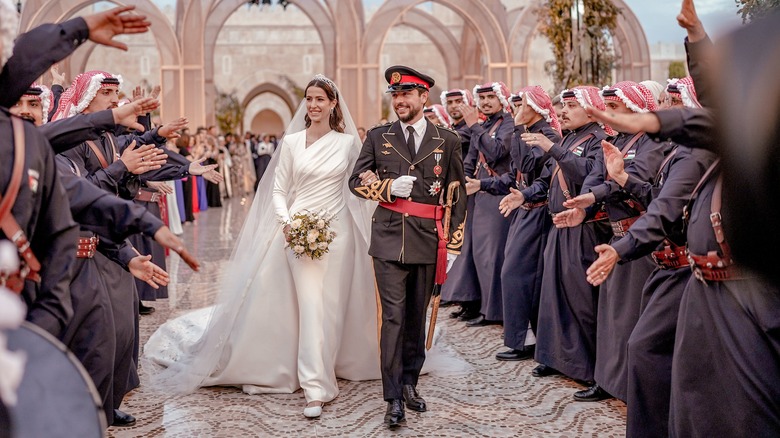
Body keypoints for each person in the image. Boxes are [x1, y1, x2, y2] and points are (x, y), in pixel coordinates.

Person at [145, 74, 380, 420]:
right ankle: (316, 386)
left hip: (339, 234)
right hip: (296, 231)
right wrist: (286, 223)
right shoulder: (292, 143)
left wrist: (373, 182)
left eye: (320, 99)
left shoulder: (347, 145)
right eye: (309, 98)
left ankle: (333, 360)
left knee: (330, 307)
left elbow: (358, 186)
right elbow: (278, 189)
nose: (314, 105)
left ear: (333, 104)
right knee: (312, 304)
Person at [348, 65, 466, 429]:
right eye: (395, 95)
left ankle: (411, 382)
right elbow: (355, 181)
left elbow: (456, 193)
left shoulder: (447, 140)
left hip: (429, 240)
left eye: (405, 95)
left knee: (415, 318)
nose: (399, 100)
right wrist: (385, 190)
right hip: (387, 239)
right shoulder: (378, 137)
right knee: (394, 320)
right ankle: (393, 397)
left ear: (422, 97)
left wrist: (455, 243)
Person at [560, 81, 669, 403]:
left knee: (629, 320)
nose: (608, 113)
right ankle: (606, 379)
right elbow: (598, 174)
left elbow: (633, 178)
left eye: (615, 107)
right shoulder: (616, 139)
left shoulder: (651, 141)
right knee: (610, 316)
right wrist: (587, 202)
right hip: (615, 234)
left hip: (638, 240)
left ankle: (627, 386)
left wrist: (596, 193)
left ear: (635, 108)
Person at [487, 86, 561, 361]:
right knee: (515, 274)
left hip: (538, 211)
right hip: (524, 209)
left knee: (519, 274)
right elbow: (515, 169)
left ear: (536, 109)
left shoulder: (549, 136)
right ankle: (521, 337)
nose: (517, 108)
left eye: (523, 104)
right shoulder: (529, 133)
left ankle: (526, 340)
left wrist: (517, 129)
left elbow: (528, 166)